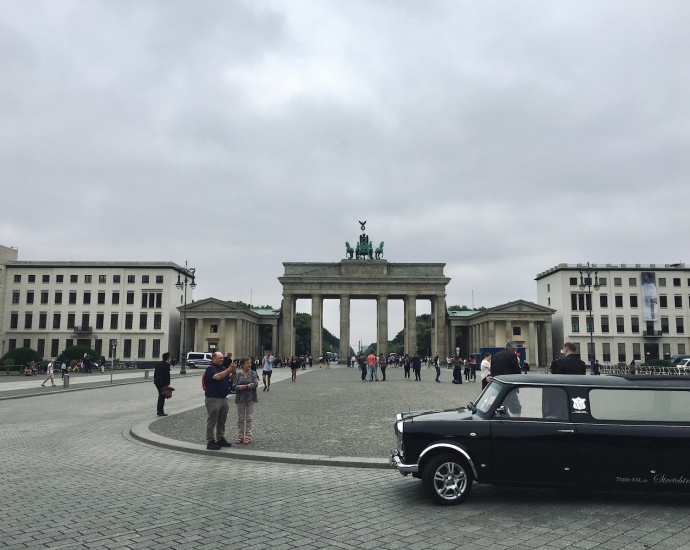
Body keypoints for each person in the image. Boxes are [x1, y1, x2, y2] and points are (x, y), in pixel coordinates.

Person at [204, 351, 236, 450]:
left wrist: (233, 371)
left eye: (222, 358)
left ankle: (220, 438)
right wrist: (229, 370)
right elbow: (218, 377)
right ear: (214, 359)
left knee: (222, 420)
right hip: (213, 398)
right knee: (212, 421)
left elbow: (232, 378)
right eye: (219, 358)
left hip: (223, 398)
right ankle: (210, 441)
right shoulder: (210, 369)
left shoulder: (222, 368)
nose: (222, 359)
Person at [235, 357, 259, 444]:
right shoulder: (238, 375)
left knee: (249, 418)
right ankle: (240, 436)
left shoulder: (253, 373)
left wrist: (243, 387)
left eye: (250, 363)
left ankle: (248, 436)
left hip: (251, 398)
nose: (249, 365)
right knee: (240, 418)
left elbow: (255, 384)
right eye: (247, 363)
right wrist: (248, 386)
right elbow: (235, 386)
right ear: (242, 365)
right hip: (240, 398)